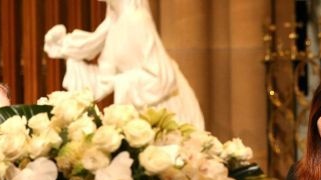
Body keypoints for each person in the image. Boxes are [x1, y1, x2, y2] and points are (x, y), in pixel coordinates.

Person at [43, 0, 205, 130]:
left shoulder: (136, 20)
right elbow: (106, 78)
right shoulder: (114, 22)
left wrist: (115, 82)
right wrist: (69, 57)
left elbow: (162, 79)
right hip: (142, 112)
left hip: (163, 111)